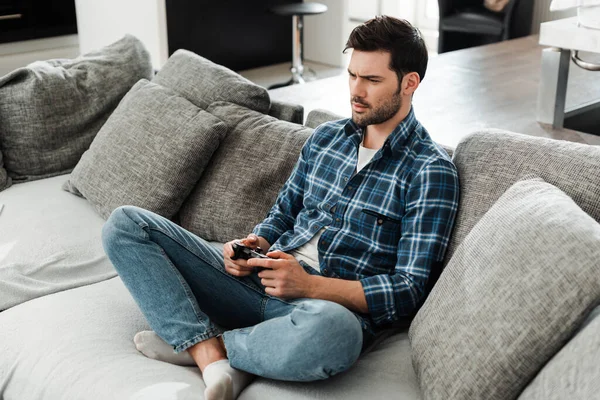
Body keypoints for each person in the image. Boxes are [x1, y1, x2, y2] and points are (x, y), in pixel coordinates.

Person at [102, 15, 459, 400]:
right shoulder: (326, 140)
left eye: (372, 81)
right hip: (259, 279)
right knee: (126, 225)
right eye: (353, 75)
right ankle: (214, 348)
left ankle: (208, 347)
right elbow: (284, 213)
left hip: (321, 310)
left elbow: (408, 289)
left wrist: (309, 285)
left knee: (334, 335)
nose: (356, 91)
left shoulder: (430, 171)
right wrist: (255, 242)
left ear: (410, 83)